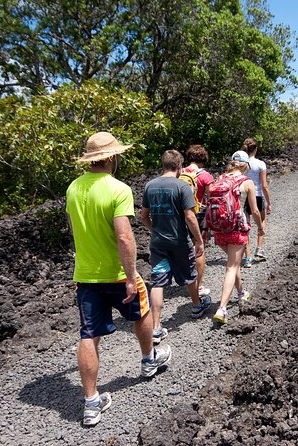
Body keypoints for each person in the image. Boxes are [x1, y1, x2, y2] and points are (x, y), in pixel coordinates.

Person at [66, 132, 172, 427]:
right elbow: (125, 237)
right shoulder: (118, 189)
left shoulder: (73, 189)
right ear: (112, 157)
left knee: (88, 335)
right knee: (142, 312)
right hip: (116, 273)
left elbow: (75, 230)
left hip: (86, 275)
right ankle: (149, 360)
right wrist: (129, 276)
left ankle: (90, 403)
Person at [141, 149, 211, 344]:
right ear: (179, 166)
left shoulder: (149, 186)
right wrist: (198, 240)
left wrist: (153, 230)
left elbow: (144, 216)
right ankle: (196, 306)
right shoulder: (182, 187)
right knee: (190, 274)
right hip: (179, 241)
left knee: (158, 281)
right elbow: (190, 216)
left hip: (158, 243)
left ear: (163, 165)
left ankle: (156, 327)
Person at [211, 150, 264, 324]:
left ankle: (241, 293)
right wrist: (261, 226)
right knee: (231, 267)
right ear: (245, 165)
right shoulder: (246, 182)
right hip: (236, 228)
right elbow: (255, 210)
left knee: (234, 263)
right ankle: (222, 308)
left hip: (219, 229)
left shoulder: (219, 179)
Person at [183, 144, 215, 297]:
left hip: (181, 214)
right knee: (199, 248)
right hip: (198, 214)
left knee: (184, 247)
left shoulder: (180, 172)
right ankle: (199, 286)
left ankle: (186, 280)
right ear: (203, 158)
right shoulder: (205, 176)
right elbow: (212, 199)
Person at [241, 137, 271, 268]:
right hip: (257, 195)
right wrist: (269, 202)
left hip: (243, 196)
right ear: (256, 149)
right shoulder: (260, 164)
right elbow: (264, 185)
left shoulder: (241, 163)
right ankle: (259, 248)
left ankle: (247, 258)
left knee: (245, 226)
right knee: (262, 220)